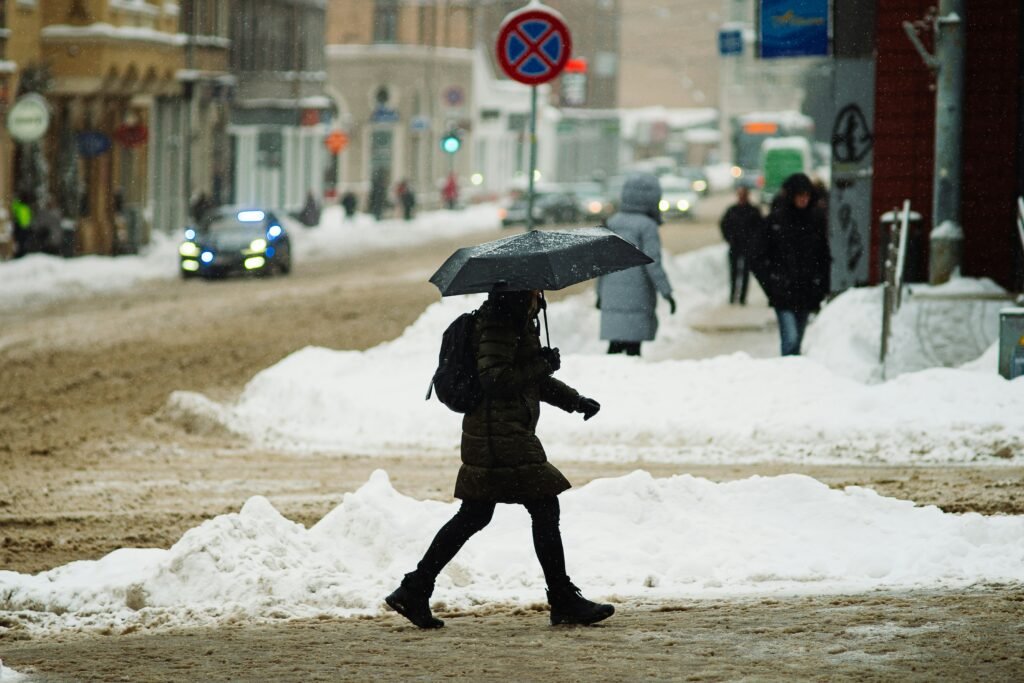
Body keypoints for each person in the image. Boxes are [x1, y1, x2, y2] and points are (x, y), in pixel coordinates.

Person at [385, 289, 614, 629]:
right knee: (543, 507)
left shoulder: (515, 320)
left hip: (501, 432)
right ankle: (563, 599)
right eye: (537, 289)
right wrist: (542, 363)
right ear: (523, 290)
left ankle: (414, 588)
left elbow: (531, 383)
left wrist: (575, 401)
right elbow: (495, 380)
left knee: (475, 515)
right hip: (499, 434)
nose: (541, 295)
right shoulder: (499, 323)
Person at [596, 173, 675, 356]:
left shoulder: (612, 222)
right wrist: (666, 292)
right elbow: (653, 262)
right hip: (637, 296)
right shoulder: (647, 226)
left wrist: (600, 293)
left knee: (614, 349)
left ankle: (608, 380)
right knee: (633, 349)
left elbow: (601, 263)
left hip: (612, 294)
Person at [752, 172, 831, 356]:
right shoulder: (776, 221)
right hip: (783, 292)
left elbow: (823, 255)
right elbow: (757, 256)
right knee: (791, 339)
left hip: (806, 291)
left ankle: (792, 375)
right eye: (800, 195)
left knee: (797, 341)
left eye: (806, 195)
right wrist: (772, 283)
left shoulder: (815, 220)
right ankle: (788, 375)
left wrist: (821, 284)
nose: (803, 199)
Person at [719, 185, 763, 305]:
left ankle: (742, 298)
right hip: (735, 245)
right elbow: (724, 224)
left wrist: (754, 242)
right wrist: (728, 238)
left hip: (748, 247)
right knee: (734, 273)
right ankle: (733, 296)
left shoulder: (753, 211)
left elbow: (760, 228)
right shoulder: (732, 210)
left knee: (745, 274)